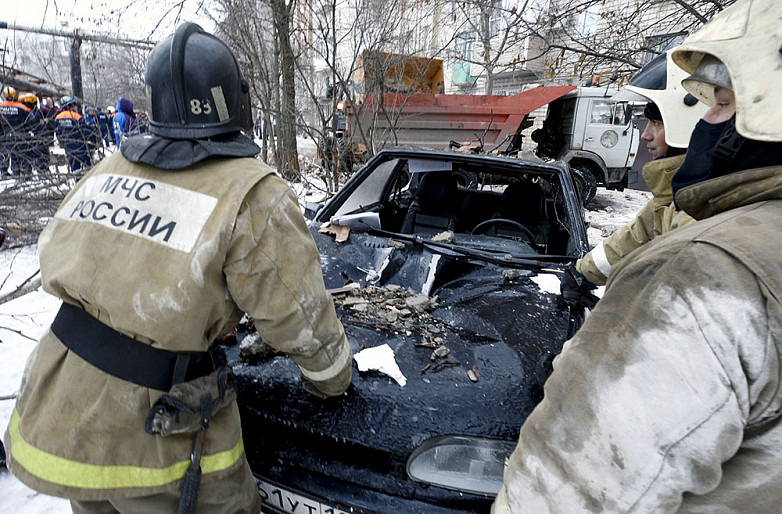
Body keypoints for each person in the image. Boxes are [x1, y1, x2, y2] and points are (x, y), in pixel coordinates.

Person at [3, 22, 353, 514]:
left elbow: (79, 258)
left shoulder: (110, 167)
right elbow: (303, 321)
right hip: (159, 430)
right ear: (236, 100)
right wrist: (333, 380)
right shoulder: (253, 192)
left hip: (63, 408)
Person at [493, 0, 782, 511]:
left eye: (720, 103)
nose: (645, 136)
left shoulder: (704, 264)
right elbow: (631, 237)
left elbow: (575, 482)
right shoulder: (701, 210)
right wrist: (577, 273)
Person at [572, 50, 707, 288]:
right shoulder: (670, 197)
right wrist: (582, 274)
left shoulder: (697, 211)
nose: (645, 134)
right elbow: (631, 239)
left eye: (656, 123)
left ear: (688, 127)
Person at [55, 96, 96, 173]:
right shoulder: (77, 117)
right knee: (88, 169)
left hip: (68, 147)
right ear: (71, 105)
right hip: (80, 147)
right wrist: (92, 146)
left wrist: (63, 145)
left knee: (75, 170)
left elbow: (58, 134)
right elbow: (86, 133)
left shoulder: (58, 118)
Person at [0, 86, 32, 178]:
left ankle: (6, 172)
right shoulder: (22, 107)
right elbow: (30, 121)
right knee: (22, 153)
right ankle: (25, 173)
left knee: (5, 153)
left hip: (4, 135)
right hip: (20, 133)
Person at [18, 93, 48, 174]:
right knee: (40, 154)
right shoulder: (35, 113)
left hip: (30, 136)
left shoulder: (24, 112)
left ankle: (29, 171)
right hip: (37, 136)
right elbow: (40, 125)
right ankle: (42, 170)